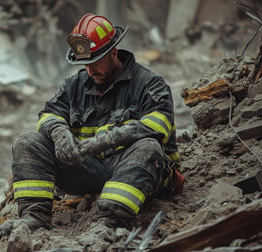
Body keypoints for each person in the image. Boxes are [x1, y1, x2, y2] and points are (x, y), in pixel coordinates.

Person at [11, 13, 180, 230]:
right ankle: (34, 218)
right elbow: (48, 114)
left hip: (139, 172)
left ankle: (109, 223)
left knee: (149, 146)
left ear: (114, 53)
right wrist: (59, 133)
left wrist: (101, 141)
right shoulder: (74, 85)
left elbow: (157, 127)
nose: (90, 71)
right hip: (88, 170)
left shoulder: (149, 84)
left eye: (96, 62)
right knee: (28, 142)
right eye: (85, 64)